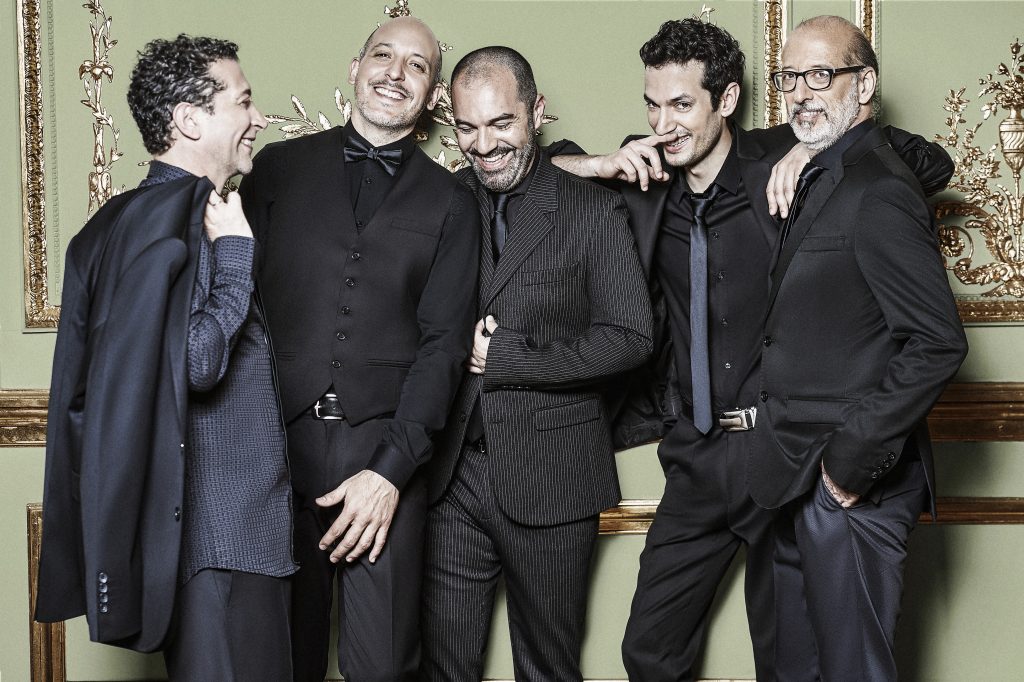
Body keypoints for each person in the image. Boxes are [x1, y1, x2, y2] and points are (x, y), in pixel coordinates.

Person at [550, 18, 955, 681]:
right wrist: (596, 165)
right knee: (648, 650)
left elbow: (927, 160)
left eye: (682, 105)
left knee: (791, 658)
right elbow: (517, 176)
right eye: (652, 105)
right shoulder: (643, 175)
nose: (663, 123)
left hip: (785, 450)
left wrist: (809, 153)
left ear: (728, 100)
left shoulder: (786, 156)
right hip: (697, 453)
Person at [35, 35, 295, 680]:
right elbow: (196, 362)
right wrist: (236, 256)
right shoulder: (187, 218)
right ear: (189, 120)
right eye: (243, 102)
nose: (258, 118)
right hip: (224, 540)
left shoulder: (118, 220)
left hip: (211, 540)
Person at [238, 16, 480, 682]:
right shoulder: (277, 169)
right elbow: (238, 305)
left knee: (384, 666)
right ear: (355, 67)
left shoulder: (452, 202)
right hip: (276, 453)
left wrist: (390, 473)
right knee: (282, 660)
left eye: (417, 65)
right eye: (383, 55)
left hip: (385, 455)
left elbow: (444, 347)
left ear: (432, 93)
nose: (395, 73)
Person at [419, 46, 653, 682]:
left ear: (536, 112)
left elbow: (632, 337)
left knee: (547, 669)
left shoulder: (592, 208)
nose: (484, 144)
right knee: (442, 668)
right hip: (450, 478)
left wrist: (509, 358)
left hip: (553, 476)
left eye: (501, 123)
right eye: (467, 127)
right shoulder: (442, 202)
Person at [754, 15, 968, 680]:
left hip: (849, 486)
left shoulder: (880, 188)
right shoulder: (825, 172)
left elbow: (937, 341)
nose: (801, 92)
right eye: (790, 77)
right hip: (793, 476)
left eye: (821, 75)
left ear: (865, 84)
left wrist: (848, 466)